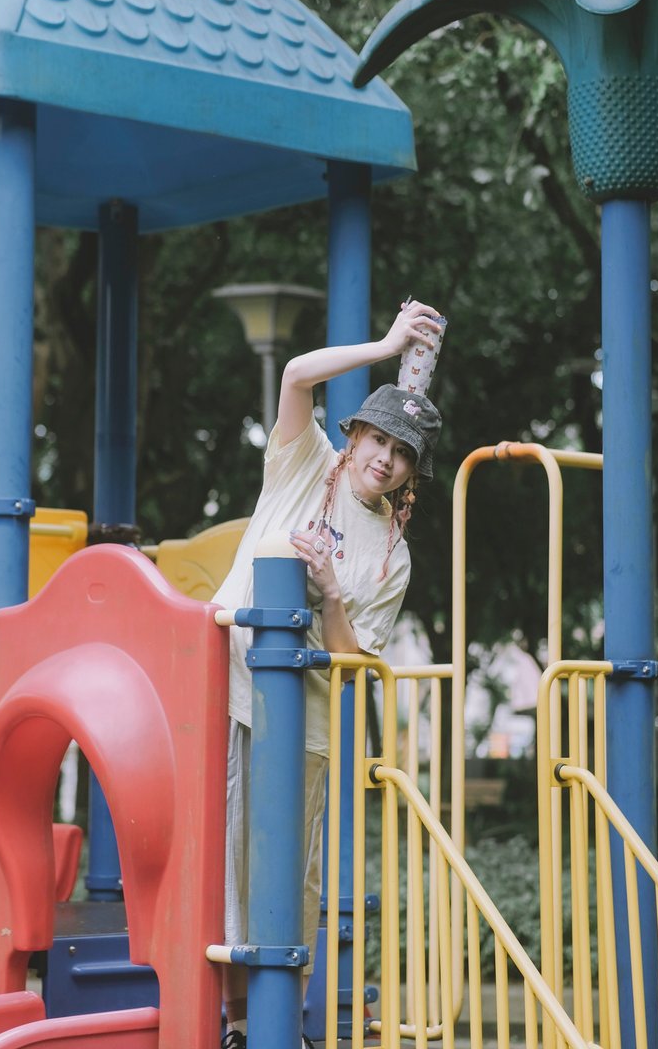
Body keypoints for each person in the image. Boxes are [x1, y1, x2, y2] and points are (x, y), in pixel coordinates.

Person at [213, 299, 444, 1049]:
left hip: (303, 722)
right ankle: (233, 1019)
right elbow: (296, 374)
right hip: (227, 687)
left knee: (289, 875)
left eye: (401, 451)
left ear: (411, 472)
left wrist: (331, 591)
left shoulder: (390, 554)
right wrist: (386, 343)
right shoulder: (304, 460)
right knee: (224, 861)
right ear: (355, 435)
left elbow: (352, 657)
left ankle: (277, 1027)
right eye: (377, 437)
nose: (384, 456)